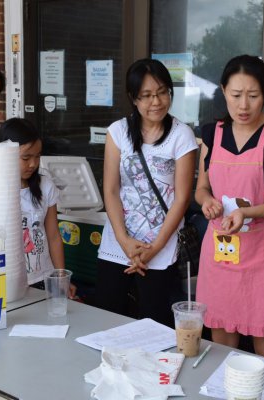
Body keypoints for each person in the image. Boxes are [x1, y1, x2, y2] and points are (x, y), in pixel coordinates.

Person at [195, 55, 264, 358]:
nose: (244, 105)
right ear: (223, 91)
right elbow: (201, 189)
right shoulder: (212, 134)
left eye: (253, 96)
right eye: (236, 95)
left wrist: (246, 213)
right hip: (220, 252)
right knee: (220, 342)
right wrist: (207, 202)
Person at [95, 58, 198, 327]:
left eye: (162, 92)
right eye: (147, 95)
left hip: (161, 248)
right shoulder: (118, 132)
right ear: (134, 98)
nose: (157, 102)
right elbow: (111, 190)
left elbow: (182, 198)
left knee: (154, 325)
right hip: (118, 245)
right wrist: (124, 241)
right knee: (108, 319)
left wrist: (155, 248)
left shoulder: (181, 135)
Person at [0, 118, 74, 296]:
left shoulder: (45, 186)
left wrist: (60, 276)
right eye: (26, 157)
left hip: (42, 277)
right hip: (8, 280)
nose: (33, 164)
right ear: (4, 154)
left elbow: (53, 235)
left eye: (37, 156)